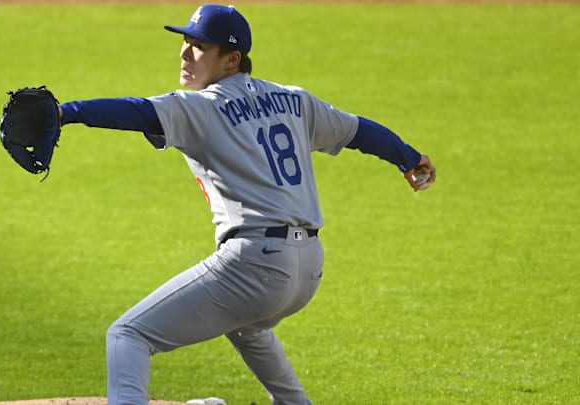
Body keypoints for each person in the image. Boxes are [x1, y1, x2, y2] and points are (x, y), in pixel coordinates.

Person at [58, 4, 436, 405]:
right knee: (247, 325)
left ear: (231, 59)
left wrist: (67, 112)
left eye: (199, 47)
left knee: (128, 335)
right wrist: (408, 158)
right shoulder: (295, 101)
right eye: (185, 43)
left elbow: (135, 111)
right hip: (308, 268)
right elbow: (359, 130)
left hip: (254, 262)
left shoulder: (200, 106)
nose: (185, 54)